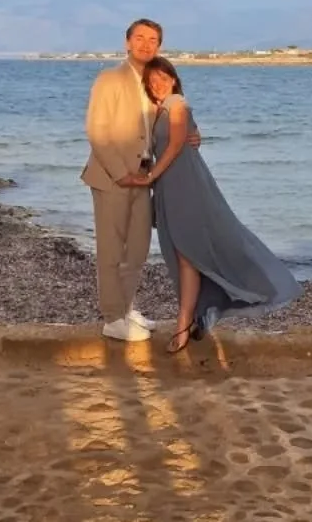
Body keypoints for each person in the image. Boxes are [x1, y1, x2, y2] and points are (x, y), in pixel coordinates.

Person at [120, 55, 302, 353]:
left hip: (187, 187)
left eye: (163, 79)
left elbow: (178, 144)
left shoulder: (177, 103)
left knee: (190, 254)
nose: (157, 85)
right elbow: (181, 138)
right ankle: (198, 315)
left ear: (174, 79)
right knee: (184, 255)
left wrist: (148, 177)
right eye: (152, 81)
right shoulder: (160, 110)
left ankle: (186, 323)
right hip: (171, 187)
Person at [82, 18, 198, 343]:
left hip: (145, 177)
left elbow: (172, 119)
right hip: (112, 178)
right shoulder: (109, 79)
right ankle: (112, 318)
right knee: (110, 249)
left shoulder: (154, 83)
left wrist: (193, 134)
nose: (146, 45)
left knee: (137, 249)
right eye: (140, 38)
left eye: (153, 40)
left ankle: (127, 307)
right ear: (127, 42)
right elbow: (97, 130)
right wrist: (121, 174)